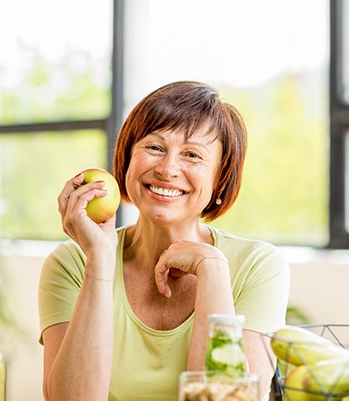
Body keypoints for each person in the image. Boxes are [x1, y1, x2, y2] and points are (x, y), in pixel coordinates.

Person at [38, 81, 290, 401]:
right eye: (155, 147)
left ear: (220, 177)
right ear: (127, 157)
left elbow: (225, 399)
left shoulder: (258, 266)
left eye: (192, 155)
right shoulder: (71, 264)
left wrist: (211, 268)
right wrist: (99, 260)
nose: (168, 169)